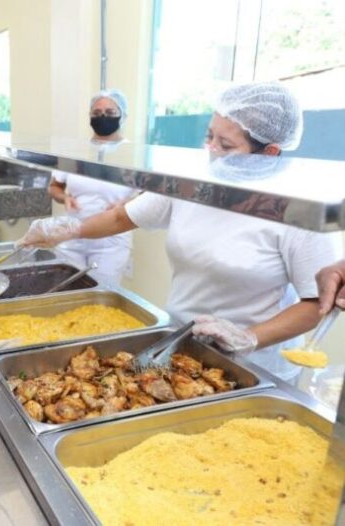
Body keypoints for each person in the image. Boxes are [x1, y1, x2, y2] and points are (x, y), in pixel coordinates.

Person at [19, 82, 342, 381]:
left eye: (225, 144)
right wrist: (68, 229)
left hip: (256, 366)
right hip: (181, 346)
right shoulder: (196, 185)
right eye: (209, 136)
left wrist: (250, 337)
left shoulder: (298, 211)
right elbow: (122, 218)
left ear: (269, 153)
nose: (211, 149)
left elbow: (317, 304)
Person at [47, 89, 136, 284]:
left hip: (111, 239)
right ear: (89, 116)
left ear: (123, 115)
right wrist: (65, 198)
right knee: (66, 290)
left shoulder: (133, 154)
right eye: (97, 113)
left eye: (110, 112)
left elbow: (149, 196)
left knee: (100, 296)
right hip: (73, 233)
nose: (103, 117)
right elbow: (54, 187)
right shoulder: (76, 151)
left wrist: (126, 203)